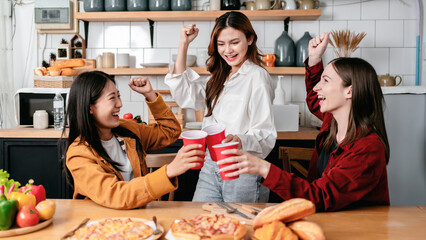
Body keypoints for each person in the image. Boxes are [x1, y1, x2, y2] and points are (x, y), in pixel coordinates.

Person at [215, 32, 390, 211]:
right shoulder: (333, 122)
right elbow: (316, 99)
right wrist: (314, 59)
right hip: (327, 218)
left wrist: (264, 168)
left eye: (326, 80)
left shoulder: (368, 148)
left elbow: (320, 196)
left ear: (349, 91)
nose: (316, 87)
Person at [164, 11, 276, 202]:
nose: (228, 50)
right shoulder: (219, 78)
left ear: (249, 39)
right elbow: (184, 95)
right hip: (211, 164)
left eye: (234, 42)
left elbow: (265, 134)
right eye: (221, 44)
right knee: (202, 221)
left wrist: (238, 139)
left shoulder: (257, 76)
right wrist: (184, 44)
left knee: (242, 225)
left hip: (241, 166)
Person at [64, 71, 205, 209]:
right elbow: (116, 195)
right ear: (90, 107)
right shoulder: (79, 154)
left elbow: (170, 131)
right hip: (102, 225)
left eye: (118, 96)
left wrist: (150, 95)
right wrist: (169, 171)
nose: (120, 104)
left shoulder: (127, 130)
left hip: (138, 218)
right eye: (112, 98)